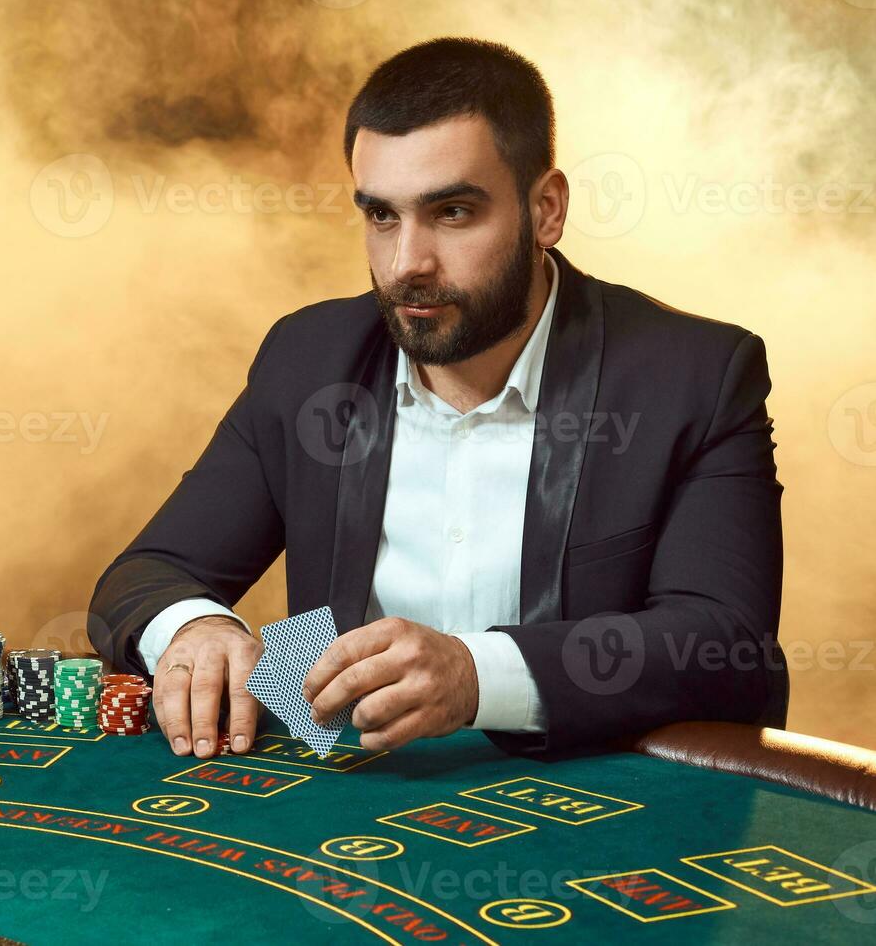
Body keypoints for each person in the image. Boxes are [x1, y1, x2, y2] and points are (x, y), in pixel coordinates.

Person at [87, 37, 786, 759]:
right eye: (381, 216)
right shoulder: (310, 360)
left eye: (452, 213)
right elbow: (144, 576)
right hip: (347, 805)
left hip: (601, 816)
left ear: (546, 209)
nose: (405, 265)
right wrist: (200, 627)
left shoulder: (695, 374)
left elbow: (725, 644)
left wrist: (474, 674)